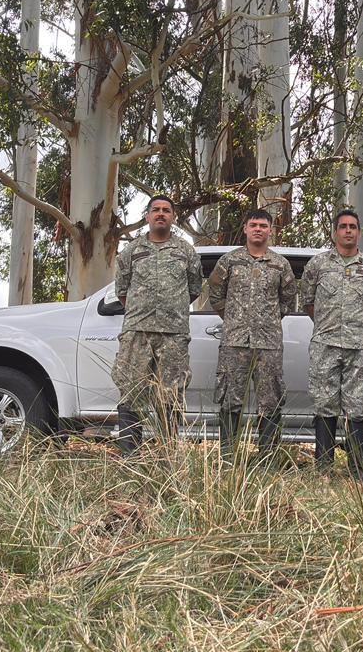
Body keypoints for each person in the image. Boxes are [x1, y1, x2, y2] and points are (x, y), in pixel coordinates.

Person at [112, 196, 203, 454]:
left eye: (166, 210)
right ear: (147, 216)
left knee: (171, 395)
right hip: (137, 332)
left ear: (173, 217)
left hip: (173, 334)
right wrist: (142, 311)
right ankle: (130, 456)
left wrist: (170, 309)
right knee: (131, 391)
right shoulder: (131, 250)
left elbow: (193, 289)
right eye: (156, 210)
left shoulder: (185, 251)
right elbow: (122, 290)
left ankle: (166, 455)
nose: (161, 214)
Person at [300, 209, 363, 476]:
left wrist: (354, 328)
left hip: (358, 347)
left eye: (353, 227)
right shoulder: (318, 265)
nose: (348, 231)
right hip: (325, 344)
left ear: (358, 232)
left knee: (357, 407)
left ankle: (357, 470)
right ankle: (323, 468)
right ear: (335, 232)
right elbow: (308, 302)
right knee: (325, 404)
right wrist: (329, 326)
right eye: (343, 226)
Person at [207, 209, 296, 460]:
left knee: (270, 399)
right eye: (253, 225)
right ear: (245, 229)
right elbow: (215, 292)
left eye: (263, 225)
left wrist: (267, 320)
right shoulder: (230, 261)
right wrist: (234, 318)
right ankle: (228, 457)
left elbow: (288, 299)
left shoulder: (280, 264)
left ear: (270, 230)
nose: (258, 229)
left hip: (268, 344)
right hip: (234, 342)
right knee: (229, 397)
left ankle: (267, 458)